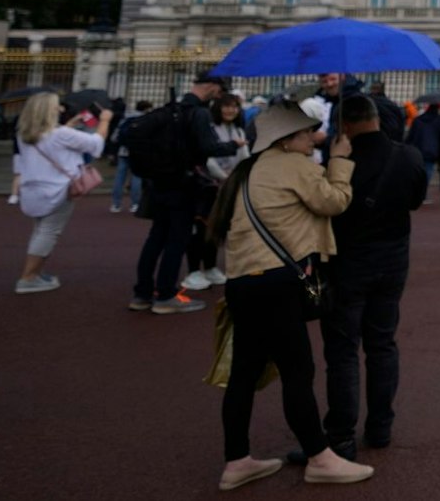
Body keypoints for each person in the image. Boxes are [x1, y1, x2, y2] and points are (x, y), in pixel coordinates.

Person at [210, 101, 373, 490]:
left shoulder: (249, 169)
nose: (311, 138)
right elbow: (334, 201)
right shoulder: (293, 165)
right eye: (305, 133)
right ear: (284, 140)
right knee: (297, 372)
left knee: (244, 374)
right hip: (277, 283)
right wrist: (340, 161)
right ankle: (320, 458)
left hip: (243, 281)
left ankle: (237, 460)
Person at [321, 94, 428, 460]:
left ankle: (341, 435)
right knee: (382, 344)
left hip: (347, 262)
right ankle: (380, 426)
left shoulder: (340, 160)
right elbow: (415, 201)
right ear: (377, 120)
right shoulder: (408, 156)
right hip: (393, 260)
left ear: (345, 125)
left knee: (343, 351)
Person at [131, 72, 226, 315]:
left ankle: (142, 294)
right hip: (183, 184)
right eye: (219, 90)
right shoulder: (198, 113)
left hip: (159, 183)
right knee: (177, 239)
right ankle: (165, 295)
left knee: (156, 238)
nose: (219, 95)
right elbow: (209, 147)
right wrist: (232, 145)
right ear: (211, 86)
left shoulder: (170, 110)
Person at [11, 93, 108, 294]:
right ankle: (28, 277)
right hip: (58, 189)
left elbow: (52, 142)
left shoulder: (24, 134)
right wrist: (105, 120)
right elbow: (96, 144)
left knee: (40, 230)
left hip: (33, 188)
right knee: (49, 232)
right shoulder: (60, 134)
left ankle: (35, 273)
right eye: (57, 106)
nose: (61, 109)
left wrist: (69, 125)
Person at [186, 94, 252, 292]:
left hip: (228, 184)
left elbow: (244, 156)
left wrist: (237, 176)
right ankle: (193, 269)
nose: (231, 110)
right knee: (201, 227)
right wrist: (224, 177)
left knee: (216, 227)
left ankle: (210, 266)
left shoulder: (237, 130)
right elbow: (208, 157)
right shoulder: (210, 128)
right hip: (209, 184)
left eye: (234, 107)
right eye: (227, 106)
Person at [107, 100, 152, 213]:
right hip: (138, 153)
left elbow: (114, 137)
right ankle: (135, 204)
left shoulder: (126, 119)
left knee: (119, 178)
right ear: (146, 109)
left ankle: (116, 204)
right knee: (136, 178)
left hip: (123, 152)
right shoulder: (146, 120)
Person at [405, 103, 440, 197]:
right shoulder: (439, 120)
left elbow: (411, 135)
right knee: (428, 172)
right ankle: (423, 193)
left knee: (417, 171)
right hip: (432, 149)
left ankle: (415, 191)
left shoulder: (418, 119)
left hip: (418, 148)